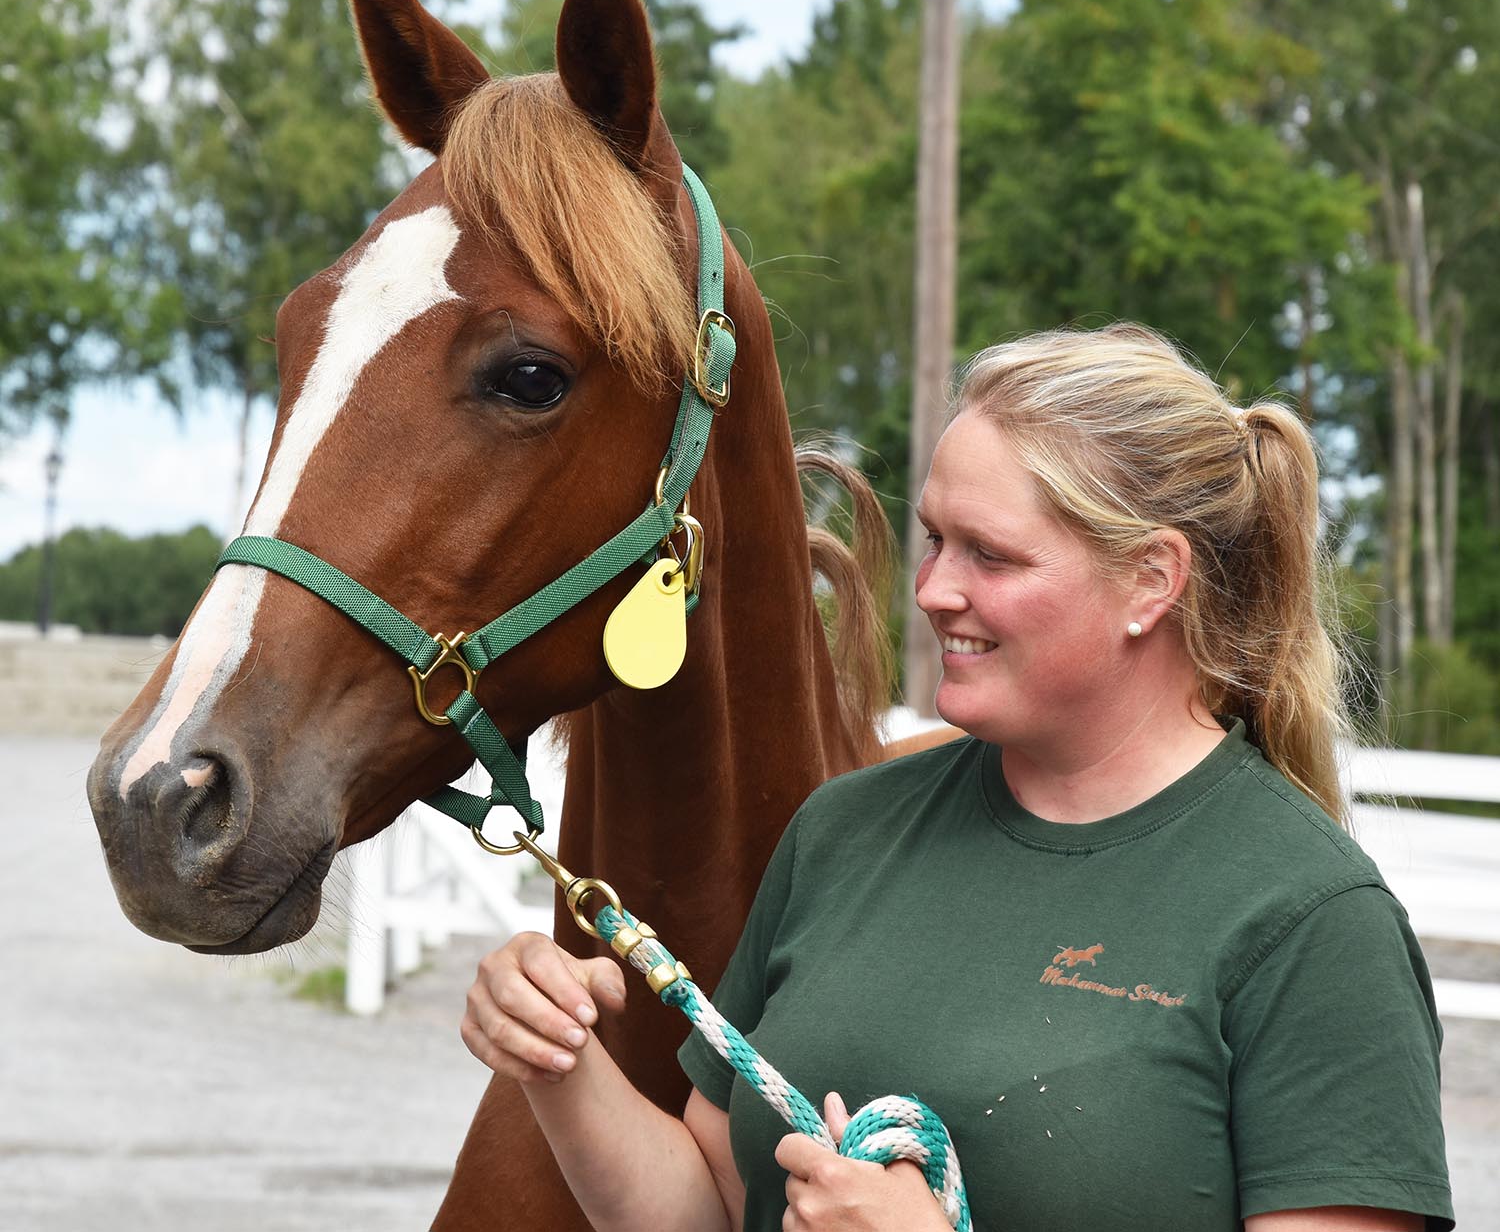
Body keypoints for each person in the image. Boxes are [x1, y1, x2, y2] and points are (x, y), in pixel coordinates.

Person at [460, 323, 1454, 1231]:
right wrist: (559, 1061)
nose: (934, 591)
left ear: (1153, 579)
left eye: (991, 554)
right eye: (937, 538)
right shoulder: (844, 833)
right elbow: (713, 1208)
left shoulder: (1314, 923)